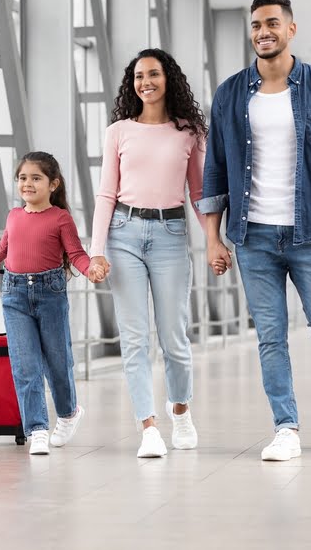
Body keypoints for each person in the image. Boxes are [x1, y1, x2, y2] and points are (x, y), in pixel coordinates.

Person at [197, 0, 311, 462]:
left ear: (291, 29)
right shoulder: (231, 94)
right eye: (256, 25)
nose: (263, 32)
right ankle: (286, 427)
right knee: (271, 336)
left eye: (272, 23)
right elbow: (214, 170)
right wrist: (213, 238)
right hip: (253, 236)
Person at [86, 48, 207, 458]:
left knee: (174, 336)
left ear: (168, 78)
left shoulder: (188, 131)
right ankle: (148, 428)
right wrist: (96, 252)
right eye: (139, 76)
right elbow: (106, 193)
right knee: (136, 339)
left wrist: (214, 239)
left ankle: (181, 410)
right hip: (123, 234)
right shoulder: (118, 131)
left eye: (153, 74)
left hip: (172, 234)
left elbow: (199, 192)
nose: (145, 82)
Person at [0, 151, 95, 456]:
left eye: (35, 178)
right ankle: (38, 429)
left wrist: (91, 269)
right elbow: (5, 245)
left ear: (53, 184)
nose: (27, 184)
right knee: (25, 365)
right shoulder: (14, 215)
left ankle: (69, 413)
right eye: (22, 178)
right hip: (14, 295)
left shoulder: (60, 218)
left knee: (58, 363)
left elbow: (76, 254)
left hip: (50, 295)